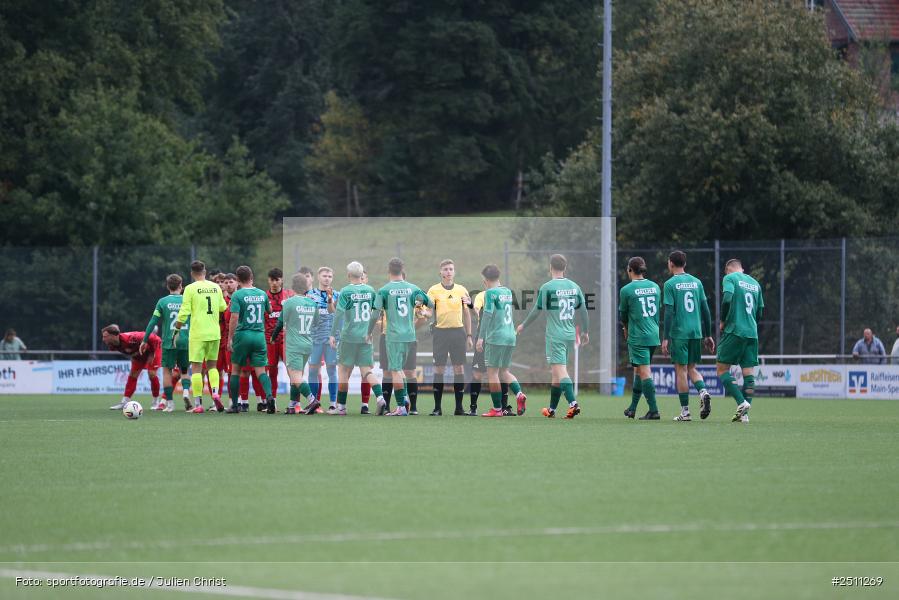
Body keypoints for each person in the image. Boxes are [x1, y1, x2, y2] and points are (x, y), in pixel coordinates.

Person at [517, 254, 589, 419]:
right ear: (565, 267)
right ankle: (552, 410)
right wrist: (585, 331)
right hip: (569, 334)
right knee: (556, 374)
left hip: (555, 336)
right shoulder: (574, 286)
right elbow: (583, 310)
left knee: (561, 371)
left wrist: (523, 325)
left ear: (550, 267)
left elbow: (537, 310)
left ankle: (573, 403)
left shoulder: (547, 287)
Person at [370, 257, 430, 416]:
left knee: (395, 370)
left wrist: (368, 332)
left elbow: (375, 313)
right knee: (405, 371)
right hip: (410, 336)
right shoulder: (413, 288)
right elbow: (429, 302)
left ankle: (401, 406)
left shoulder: (384, 290)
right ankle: (404, 399)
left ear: (388, 271)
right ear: (402, 270)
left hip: (393, 336)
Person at [661, 251, 715, 422]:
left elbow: (669, 312)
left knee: (681, 371)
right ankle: (703, 392)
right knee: (692, 368)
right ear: (684, 264)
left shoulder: (670, 284)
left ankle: (685, 412)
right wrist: (708, 334)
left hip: (679, 333)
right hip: (695, 332)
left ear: (671, 263)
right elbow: (706, 310)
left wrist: (666, 337)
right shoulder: (696, 282)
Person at [328, 261, 387, 415]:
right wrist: (369, 330)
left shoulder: (345, 292)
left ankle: (341, 407)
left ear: (348, 275)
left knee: (343, 371)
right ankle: (380, 398)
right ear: (362, 275)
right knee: (367, 371)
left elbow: (338, 313)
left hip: (348, 337)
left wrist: (333, 334)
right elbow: (376, 312)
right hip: (365, 337)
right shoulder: (370, 290)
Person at [174, 260, 227, 413]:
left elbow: (184, 312)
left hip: (197, 334)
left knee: (196, 369)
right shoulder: (215, 287)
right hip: (214, 333)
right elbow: (223, 307)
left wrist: (176, 329)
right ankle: (215, 393)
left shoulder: (190, 289)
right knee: (212, 366)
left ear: (192, 273)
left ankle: (198, 404)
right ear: (205, 271)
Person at [716, 258, 764, 424]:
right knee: (748, 373)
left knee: (722, 369)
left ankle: (741, 402)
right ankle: (745, 415)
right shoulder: (755, 283)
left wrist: (723, 320)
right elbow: (760, 310)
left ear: (728, 270)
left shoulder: (730, 278)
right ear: (742, 268)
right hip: (752, 332)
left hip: (735, 330)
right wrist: (752, 324)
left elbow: (727, 299)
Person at [476, 264, 527, 417]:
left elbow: (488, 315)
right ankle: (519, 394)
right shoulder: (507, 292)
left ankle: (497, 409)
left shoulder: (490, 293)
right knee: (505, 372)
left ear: (485, 280)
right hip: (510, 336)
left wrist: (480, 338)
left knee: (492, 373)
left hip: (496, 337)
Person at [224, 266, 276, 413]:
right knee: (261, 371)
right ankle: (269, 397)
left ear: (238, 280)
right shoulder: (261, 294)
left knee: (236, 371)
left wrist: (230, 339)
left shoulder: (237, 295)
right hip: (259, 335)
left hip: (243, 335)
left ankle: (234, 405)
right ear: (251, 277)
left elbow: (234, 317)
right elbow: (270, 311)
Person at [426, 259, 473, 416]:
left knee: (458, 368)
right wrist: (423, 313)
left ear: (454, 271)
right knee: (439, 368)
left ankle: (459, 408)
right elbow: (428, 311)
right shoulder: (433, 290)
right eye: (445, 269)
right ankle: (437, 408)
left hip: (458, 333)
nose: (448, 272)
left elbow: (467, 313)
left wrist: (469, 335)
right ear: (440, 272)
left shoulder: (461, 290)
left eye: (451, 269)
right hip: (440, 333)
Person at [619, 257, 662, 420]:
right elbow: (658, 310)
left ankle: (654, 410)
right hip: (653, 335)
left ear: (630, 269)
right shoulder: (655, 287)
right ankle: (632, 408)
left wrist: (626, 328)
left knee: (644, 372)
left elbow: (623, 315)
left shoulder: (627, 290)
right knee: (638, 370)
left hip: (638, 336)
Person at [270, 273, 320, 414]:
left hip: (294, 344)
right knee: (297, 375)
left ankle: (312, 400)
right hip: (308, 343)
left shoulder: (290, 302)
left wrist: (273, 337)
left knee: (295, 376)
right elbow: (316, 323)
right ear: (306, 287)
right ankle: (292, 405)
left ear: (292, 287)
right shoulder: (312, 303)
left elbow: (280, 323)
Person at [142, 274, 192, 412]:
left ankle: (170, 404)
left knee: (167, 372)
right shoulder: (188, 301)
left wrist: (145, 340)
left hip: (169, 341)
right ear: (181, 286)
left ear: (167, 286)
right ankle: (186, 393)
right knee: (184, 370)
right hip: (185, 340)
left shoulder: (162, 302)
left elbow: (153, 321)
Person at [102, 325, 161, 410]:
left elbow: (151, 340)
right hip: (139, 353)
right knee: (133, 375)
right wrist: (135, 354)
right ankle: (124, 402)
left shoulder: (131, 338)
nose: (103, 339)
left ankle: (156, 402)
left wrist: (151, 354)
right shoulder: (112, 345)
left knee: (151, 374)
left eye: (105, 337)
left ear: (114, 336)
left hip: (153, 346)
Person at [307, 267, 339, 409]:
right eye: (324, 276)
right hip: (314, 338)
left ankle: (333, 404)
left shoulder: (337, 295)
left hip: (331, 338)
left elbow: (339, 315)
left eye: (330, 276)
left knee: (332, 370)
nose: (327, 278)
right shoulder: (309, 295)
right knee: (313, 369)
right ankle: (313, 403)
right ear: (318, 277)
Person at [264, 267, 294, 406]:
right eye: (272, 280)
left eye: (277, 280)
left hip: (286, 339)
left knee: (291, 370)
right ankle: (273, 401)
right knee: (272, 371)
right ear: (268, 281)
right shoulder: (264, 297)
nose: (274, 283)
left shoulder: (288, 296)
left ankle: (294, 402)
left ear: (281, 280)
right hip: (270, 339)